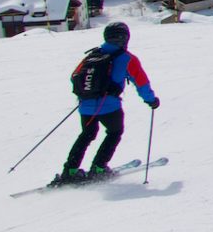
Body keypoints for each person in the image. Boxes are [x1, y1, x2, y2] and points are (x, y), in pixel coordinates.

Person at [57, 21, 160, 184]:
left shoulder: (92, 55)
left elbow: (74, 77)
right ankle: (99, 168)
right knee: (114, 133)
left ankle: (70, 171)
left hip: (86, 106)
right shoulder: (127, 58)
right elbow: (141, 83)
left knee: (86, 135)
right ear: (125, 38)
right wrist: (151, 100)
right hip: (110, 107)